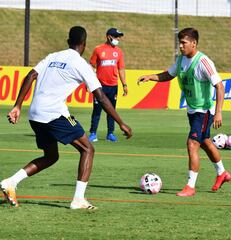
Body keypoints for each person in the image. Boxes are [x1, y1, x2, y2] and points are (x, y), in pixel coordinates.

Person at [1, 26, 132, 209]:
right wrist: (121, 122)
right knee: (88, 149)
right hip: (54, 114)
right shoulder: (81, 64)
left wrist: (17, 106)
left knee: (51, 156)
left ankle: (11, 182)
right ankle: (78, 200)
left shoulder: (52, 56)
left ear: (68, 41)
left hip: (35, 114)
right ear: (84, 44)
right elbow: (101, 96)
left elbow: (31, 75)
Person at [137, 27, 231, 197]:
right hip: (192, 110)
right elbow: (169, 74)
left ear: (194, 43)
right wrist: (151, 76)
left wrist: (218, 112)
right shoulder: (181, 60)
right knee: (205, 142)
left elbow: (219, 86)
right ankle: (222, 173)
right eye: (179, 43)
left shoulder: (203, 62)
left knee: (192, 144)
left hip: (204, 111)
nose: (180, 46)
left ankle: (190, 186)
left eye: (183, 43)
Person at [88, 27, 128, 142]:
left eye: (118, 37)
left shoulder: (119, 52)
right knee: (96, 110)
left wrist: (124, 84)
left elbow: (121, 69)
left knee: (112, 111)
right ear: (108, 36)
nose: (118, 39)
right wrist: (89, 82)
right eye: (116, 37)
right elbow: (91, 66)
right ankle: (93, 133)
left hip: (113, 86)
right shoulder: (98, 49)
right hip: (99, 86)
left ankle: (110, 133)